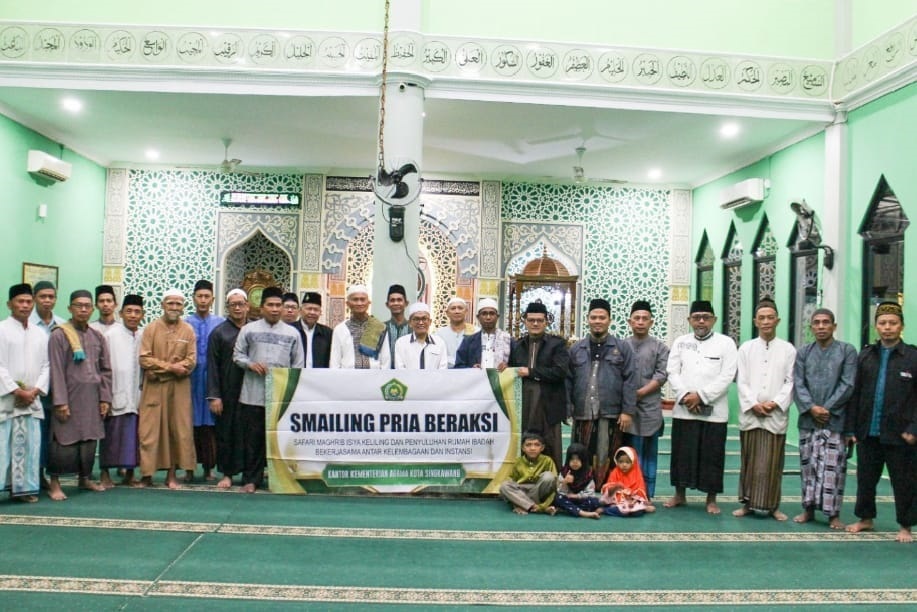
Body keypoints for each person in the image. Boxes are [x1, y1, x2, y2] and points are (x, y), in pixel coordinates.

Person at [845, 301, 917, 543]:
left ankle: (906, 526)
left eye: (893, 323)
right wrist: (851, 428)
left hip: (900, 434)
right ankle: (865, 518)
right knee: (865, 478)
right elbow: (855, 394)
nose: (887, 328)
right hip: (868, 431)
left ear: (901, 326)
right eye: (883, 323)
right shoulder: (866, 355)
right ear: (876, 326)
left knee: (904, 482)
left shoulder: (912, 357)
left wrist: (913, 428)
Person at [664, 300, 737, 515]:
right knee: (682, 454)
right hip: (685, 409)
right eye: (696, 317)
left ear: (714, 320)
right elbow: (672, 371)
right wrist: (687, 396)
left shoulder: (726, 343)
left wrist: (702, 397)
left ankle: (711, 499)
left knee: (712, 456)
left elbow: (727, 375)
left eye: (706, 317)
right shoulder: (680, 342)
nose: (701, 321)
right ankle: (680, 494)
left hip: (714, 412)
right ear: (689, 320)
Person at [233, 286, 304, 492]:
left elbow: (298, 365)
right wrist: (251, 364)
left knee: (279, 439)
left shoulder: (293, 333)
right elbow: (237, 355)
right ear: (261, 307)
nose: (275, 309)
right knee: (253, 441)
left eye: (278, 305)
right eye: (270, 305)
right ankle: (251, 480)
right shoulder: (249, 330)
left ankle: (279, 479)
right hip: (253, 395)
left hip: (280, 397)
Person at [792, 308, 857, 530]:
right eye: (816, 323)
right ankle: (808, 509)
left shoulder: (847, 351)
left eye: (825, 322)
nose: (821, 326)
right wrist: (811, 408)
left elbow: (848, 383)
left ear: (834, 326)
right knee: (808, 466)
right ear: (811, 327)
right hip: (809, 420)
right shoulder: (803, 352)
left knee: (833, 469)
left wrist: (826, 409)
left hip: (835, 420)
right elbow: (798, 383)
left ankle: (833, 514)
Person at [733, 300, 796, 521]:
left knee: (773, 463)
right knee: (749, 461)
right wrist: (753, 404)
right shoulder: (746, 348)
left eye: (770, 318)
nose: (766, 322)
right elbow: (742, 381)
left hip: (775, 414)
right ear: (755, 321)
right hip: (751, 414)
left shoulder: (788, 349)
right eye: (762, 318)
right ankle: (747, 504)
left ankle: (773, 506)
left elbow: (790, 382)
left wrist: (775, 403)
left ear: (777, 320)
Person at [47, 289, 112, 501]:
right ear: (69, 308)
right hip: (69, 399)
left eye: (87, 306)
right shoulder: (59, 335)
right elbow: (55, 370)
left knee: (89, 440)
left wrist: (105, 398)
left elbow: (105, 370)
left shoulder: (97, 336)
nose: (83, 309)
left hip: (92, 399)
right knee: (62, 442)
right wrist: (60, 402)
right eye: (78, 305)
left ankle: (84, 478)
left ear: (92, 309)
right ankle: (55, 483)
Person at [567, 298, 637, 486]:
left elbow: (631, 380)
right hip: (583, 412)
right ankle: (582, 489)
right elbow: (568, 380)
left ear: (609, 320)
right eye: (594, 317)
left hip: (611, 412)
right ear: (588, 319)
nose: (598, 321)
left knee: (609, 451)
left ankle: (607, 491)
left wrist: (627, 411)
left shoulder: (622, 348)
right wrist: (569, 407)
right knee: (582, 452)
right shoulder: (576, 349)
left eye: (602, 317)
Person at [137, 289, 197, 489]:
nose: (174, 307)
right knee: (150, 431)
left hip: (179, 389)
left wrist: (159, 370)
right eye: (170, 303)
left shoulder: (188, 330)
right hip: (154, 389)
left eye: (178, 304)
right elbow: (144, 359)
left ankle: (172, 475)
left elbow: (191, 362)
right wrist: (170, 367)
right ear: (163, 305)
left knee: (177, 430)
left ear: (183, 307)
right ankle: (147, 475)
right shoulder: (151, 329)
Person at [0, 283, 49, 503]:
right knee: (3, 446)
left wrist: (35, 390)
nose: (25, 305)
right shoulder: (1, 330)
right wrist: (16, 391)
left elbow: (47, 366)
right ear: (10, 304)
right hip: (8, 401)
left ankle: (25, 489)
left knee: (30, 446)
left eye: (29, 301)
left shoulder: (40, 333)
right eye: (20, 301)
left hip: (32, 401)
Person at [508, 302, 570, 469]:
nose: (535, 324)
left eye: (539, 320)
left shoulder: (557, 344)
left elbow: (560, 372)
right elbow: (512, 371)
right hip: (524, 403)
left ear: (546, 322)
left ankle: (550, 483)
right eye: (531, 320)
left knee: (550, 444)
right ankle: (523, 478)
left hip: (548, 404)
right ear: (525, 322)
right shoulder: (518, 345)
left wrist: (531, 372)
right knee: (524, 441)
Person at [624, 300, 669, 499]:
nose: (640, 322)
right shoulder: (622, 345)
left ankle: (647, 494)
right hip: (627, 409)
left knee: (649, 453)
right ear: (630, 321)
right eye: (637, 318)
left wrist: (640, 393)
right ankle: (630, 490)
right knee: (629, 452)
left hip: (650, 408)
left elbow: (661, 375)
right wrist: (628, 397)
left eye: (644, 319)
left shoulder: (660, 347)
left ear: (651, 322)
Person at [99, 294, 144, 489]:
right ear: (121, 313)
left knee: (134, 437)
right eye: (129, 311)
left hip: (136, 394)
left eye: (137, 312)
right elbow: (102, 367)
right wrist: (104, 396)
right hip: (114, 392)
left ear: (142, 314)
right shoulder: (110, 335)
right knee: (110, 436)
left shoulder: (144, 335)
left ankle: (130, 474)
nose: (133, 315)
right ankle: (104, 474)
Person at [206, 289, 249, 489]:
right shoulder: (219, 333)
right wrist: (215, 396)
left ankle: (250, 474)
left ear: (247, 305)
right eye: (234, 305)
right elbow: (212, 367)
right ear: (228, 308)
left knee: (250, 433)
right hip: (227, 392)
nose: (238, 308)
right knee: (226, 434)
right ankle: (227, 474)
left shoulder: (254, 329)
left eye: (241, 304)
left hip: (251, 391)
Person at [184, 279, 224, 483]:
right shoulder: (185, 324)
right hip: (189, 381)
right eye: (199, 296)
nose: (203, 300)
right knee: (189, 424)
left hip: (211, 380)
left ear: (212, 299)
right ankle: (188, 469)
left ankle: (209, 468)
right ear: (193, 298)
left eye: (206, 296)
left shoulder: (220, 323)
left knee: (210, 426)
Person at [28, 279, 65, 489]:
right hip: (33, 389)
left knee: (53, 434)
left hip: (56, 389)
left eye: (51, 297)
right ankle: (35, 474)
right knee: (35, 434)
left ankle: (51, 475)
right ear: (34, 298)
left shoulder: (61, 325)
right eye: (43, 296)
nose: (47, 301)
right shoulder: (27, 324)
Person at [498, 431, 557, 515]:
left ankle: (523, 505)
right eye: (528, 445)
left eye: (537, 445)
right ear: (523, 448)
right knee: (504, 486)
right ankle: (534, 507)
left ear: (542, 448)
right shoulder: (518, 461)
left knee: (549, 477)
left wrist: (544, 504)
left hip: (538, 491)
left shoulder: (547, 460)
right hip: (522, 492)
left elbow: (554, 486)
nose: (532, 448)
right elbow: (511, 481)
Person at [330, 285, 385, 369]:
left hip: (374, 378)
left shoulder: (378, 327)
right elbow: (335, 360)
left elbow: (385, 359)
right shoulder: (340, 329)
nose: (359, 303)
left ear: (369, 302)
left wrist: (382, 379)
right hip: (348, 378)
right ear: (348, 303)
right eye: (355, 299)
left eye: (363, 299)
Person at [382, 303, 448, 370]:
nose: (421, 322)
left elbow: (443, 370)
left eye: (424, 319)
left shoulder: (439, 343)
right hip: (407, 380)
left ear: (430, 322)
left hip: (434, 380)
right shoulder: (401, 343)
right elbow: (400, 370)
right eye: (416, 319)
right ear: (410, 323)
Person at [454, 298, 512, 370]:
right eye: (484, 314)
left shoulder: (508, 340)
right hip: (476, 380)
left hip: (501, 380)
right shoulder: (468, 341)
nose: (488, 317)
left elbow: (518, 367)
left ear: (497, 317)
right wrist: (471, 369)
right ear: (478, 317)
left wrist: (508, 367)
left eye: (492, 313)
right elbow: (458, 367)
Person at [601, 446, 655, 516]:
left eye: (627, 462)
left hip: (633, 502)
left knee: (637, 512)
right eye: (621, 462)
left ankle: (638, 509)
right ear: (616, 461)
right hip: (617, 502)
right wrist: (616, 487)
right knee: (618, 507)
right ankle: (607, 510)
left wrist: (633, 500)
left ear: (633, 462)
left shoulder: (637, 473)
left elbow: (640, 490)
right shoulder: (615, 472)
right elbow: (607, 490)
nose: (624, 465)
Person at [554, 443, 601, 519]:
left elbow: (590, 493)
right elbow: (560, 492)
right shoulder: (564, 472)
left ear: (584, 460)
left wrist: (577, 496)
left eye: (578, 459)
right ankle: (583, 513)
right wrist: (565, 482)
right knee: (558, 498)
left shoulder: (587, 474)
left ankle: (570, 509)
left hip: (581, 500)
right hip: (568, 499)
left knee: (595, 501)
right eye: (572, 459)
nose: (575, 462)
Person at [293, 292, 332, 369]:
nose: (312, 312)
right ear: (300, 310)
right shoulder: (291, 330)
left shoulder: (328, 333)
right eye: (309, 309)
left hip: (318, 378)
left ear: (320, 313)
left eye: (316, 310)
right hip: (295, 376)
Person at [437, 296, 477, 368]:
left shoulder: (476, 332)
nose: (457, 311)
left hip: (470, 373)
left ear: (466, 311)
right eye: (453, 308)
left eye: (460, 308)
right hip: (446, 374)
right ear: (447, 313)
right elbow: (438, 357)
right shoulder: (439, 334)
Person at [377, 284, 410, 369]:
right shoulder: (379, 328)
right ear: (387, 304)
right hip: (384, 377)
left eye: (399, 300)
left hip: (409, 376)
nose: (396, 303)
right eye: (392, 300)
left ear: (406, 303)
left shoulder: (413, 329)